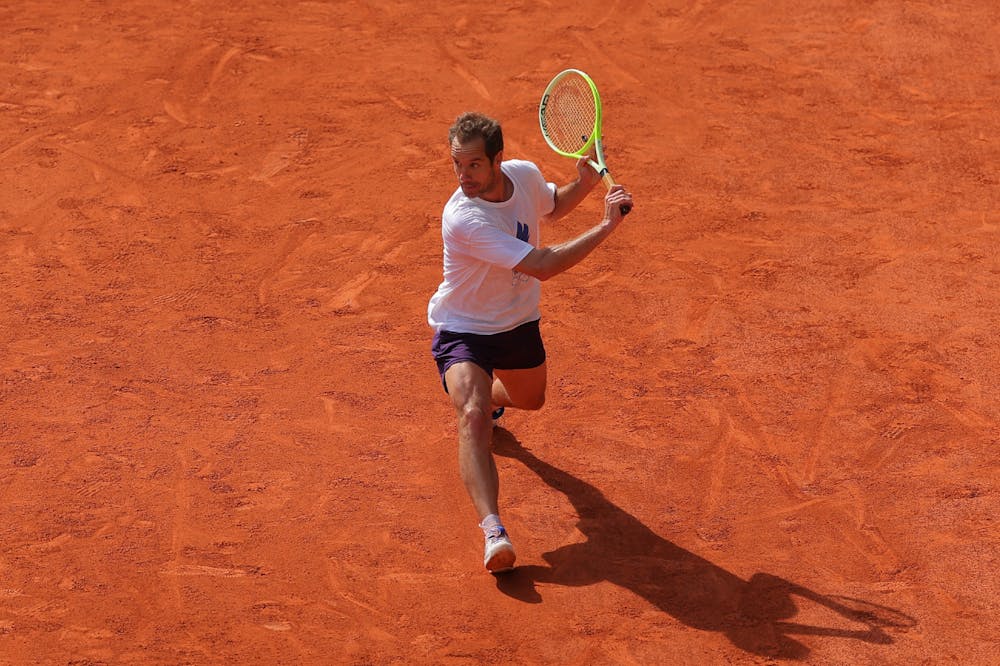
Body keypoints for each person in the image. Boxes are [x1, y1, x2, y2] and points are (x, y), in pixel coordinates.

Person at [428, 111, 634, 573]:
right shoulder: (464, 217)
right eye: (458, 165)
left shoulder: (522, 174)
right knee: (472, 414)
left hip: (517, 324)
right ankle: (493, 531)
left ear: (498, 160)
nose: (464, 176)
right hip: (463, 328)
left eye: (475, 165)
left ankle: (490, 402)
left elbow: (551, 206)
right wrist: (605, 227)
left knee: (531, 399)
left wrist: (581, 182)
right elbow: (541, 264)